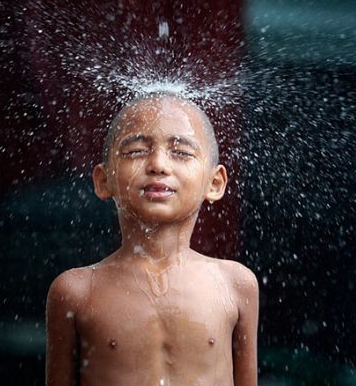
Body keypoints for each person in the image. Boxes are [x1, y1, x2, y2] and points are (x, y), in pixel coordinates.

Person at [45, 92, 259, 386]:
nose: (158, 164)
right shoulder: (77, 291)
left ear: (215, 183)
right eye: (135, 151)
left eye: (181, 153)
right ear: (103, 180)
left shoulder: (235, 285)